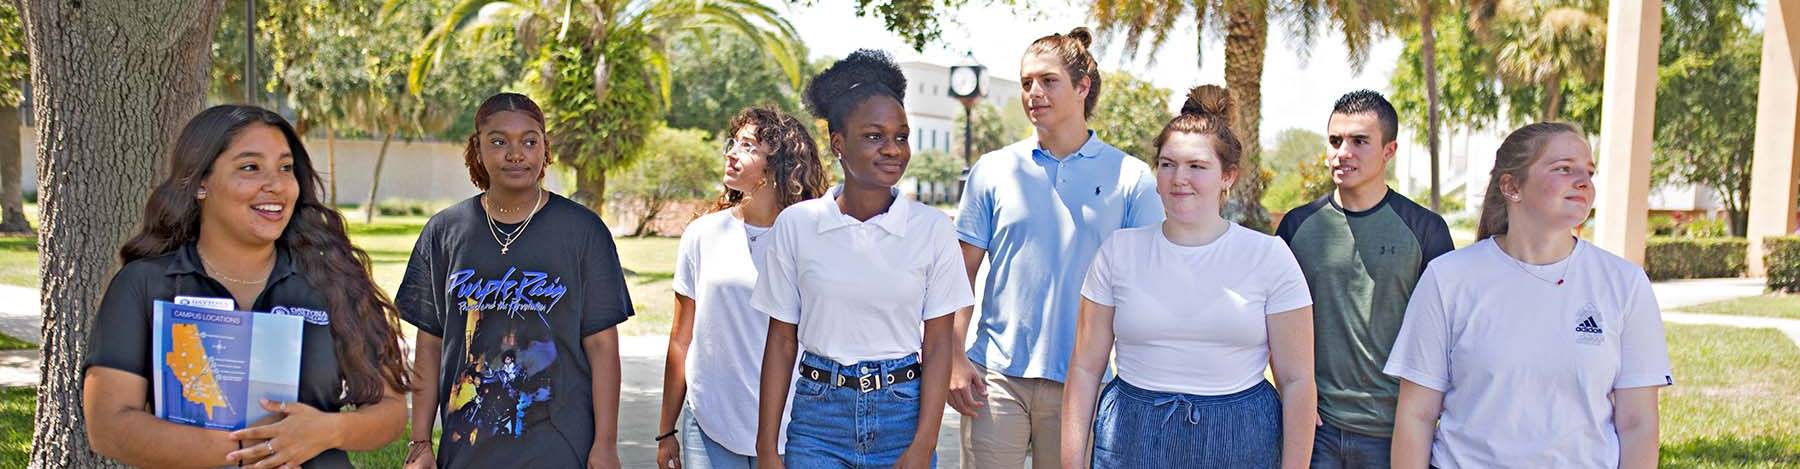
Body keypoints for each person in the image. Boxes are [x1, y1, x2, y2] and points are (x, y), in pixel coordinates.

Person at [83, 104, 411, 468]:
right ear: (201, 183)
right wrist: (254, 452)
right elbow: (108, 426)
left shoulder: (332, 279)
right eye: (250, 168)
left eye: (285, 168)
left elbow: (391, 412)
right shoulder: (143, 285)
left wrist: (327, 431)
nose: (275, 185)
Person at [1386, 122, 1672, 468]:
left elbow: (1638, 424)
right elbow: (1416, 416)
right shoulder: (1448, 279)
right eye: (1564, 169)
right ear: (1511, 186)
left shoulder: (1625, 283)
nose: (1584, 181)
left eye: (1589, 172)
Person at [1060, 85, 1317, 468]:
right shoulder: (1118, 251)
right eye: (1167, 164)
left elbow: (1297, 382)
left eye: (1197, 166)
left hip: (1241, 440)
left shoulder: (1270, 257)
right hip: (1132, 438)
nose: (1180, 178)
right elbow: (1084, 367)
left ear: (1228, 176)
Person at [949, 26, 1162, 468]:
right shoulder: (992, 170)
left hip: (1085, 383)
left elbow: (1149, 286)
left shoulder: (1131, 177)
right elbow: (958, 276)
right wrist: (953, 358)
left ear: (1083, 87)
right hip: (995, 380)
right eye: (1027, 82)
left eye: (1048, 81)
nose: (1033, 93)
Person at [751, 49, 973, 469]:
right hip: (819, 420)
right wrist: (767, 448)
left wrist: (923, 444)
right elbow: (780, 341)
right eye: (875, 136)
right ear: (839, 143)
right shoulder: (797, 226)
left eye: (901, 136)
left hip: (903, 416)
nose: (893, 149)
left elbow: (939, 341)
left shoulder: (932, 229)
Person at [397, 92, 634, 469]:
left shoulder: (583, 231)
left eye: (529, 140)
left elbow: (603, 346)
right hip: (468, 448)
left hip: (560, 447)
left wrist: (605, 443)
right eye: (498, 141)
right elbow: (429, 344)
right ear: (476, 148)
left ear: (545, 148)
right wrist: (421, 441)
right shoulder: (444, 233)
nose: (515, 154)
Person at [1273, 90, 1453, 469]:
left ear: (1389, 150)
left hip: (1394, 432)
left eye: (1359, 141)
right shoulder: (1296, 226)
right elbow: (1273, 321)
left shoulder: (1425, 230)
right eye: (1335, 141)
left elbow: (1446, 334)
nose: (1343, 152)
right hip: (1316, 429)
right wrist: (1296, 400)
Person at [656, 106, 829, 469]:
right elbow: (681, 339)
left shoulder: (810, 239)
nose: (732, 152)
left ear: (779, 163)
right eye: (733, 142)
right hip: (708, 423)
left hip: (791, 427)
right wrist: (666, 430)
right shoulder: (703, 234)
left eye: (748, 146)